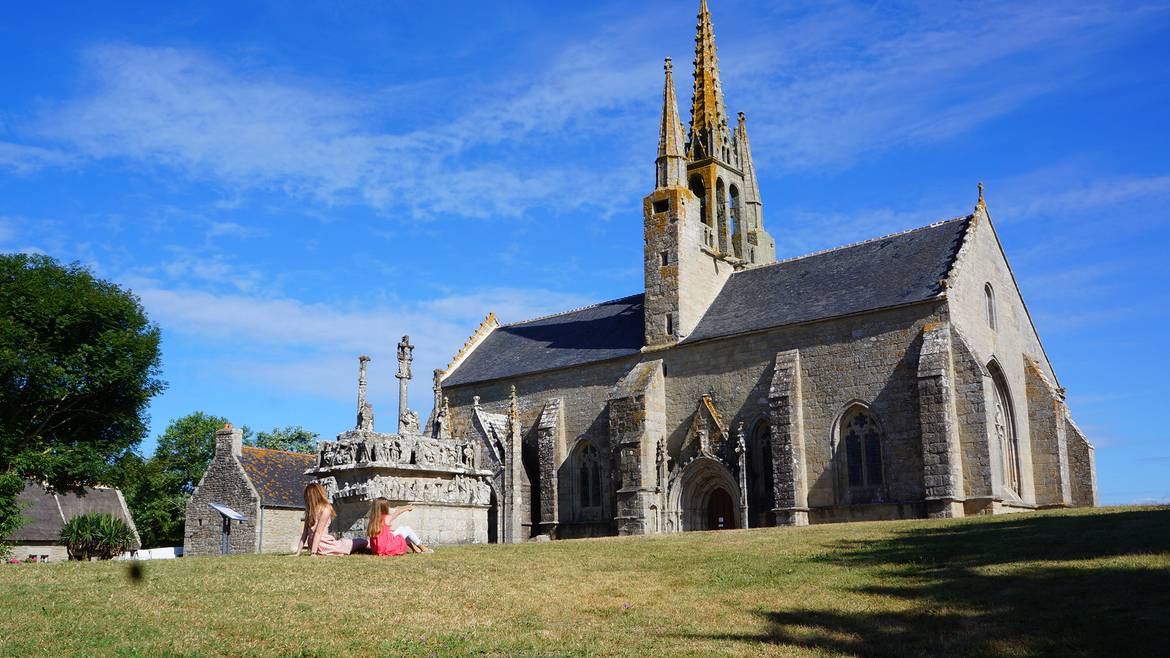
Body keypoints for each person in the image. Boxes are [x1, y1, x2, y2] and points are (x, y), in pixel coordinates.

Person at [296, 482, 367, 556]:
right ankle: (373, 547)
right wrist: (313, 553)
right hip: (324, 545)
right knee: (359, 542)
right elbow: (318, 533)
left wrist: (298, 553)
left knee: (345, 542)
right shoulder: (325, 509)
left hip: (316, 545)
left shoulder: (310, 511)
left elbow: (304, 534)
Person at [366, 498, 433, 555]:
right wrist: (407, 507)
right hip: (386, 548)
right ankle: (424, 549)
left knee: (401, 530)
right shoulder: (387, 518)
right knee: (407, 529)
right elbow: (398, 512)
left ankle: (415, 549)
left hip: (376, 549)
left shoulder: (373, 520)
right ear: (385, 507)